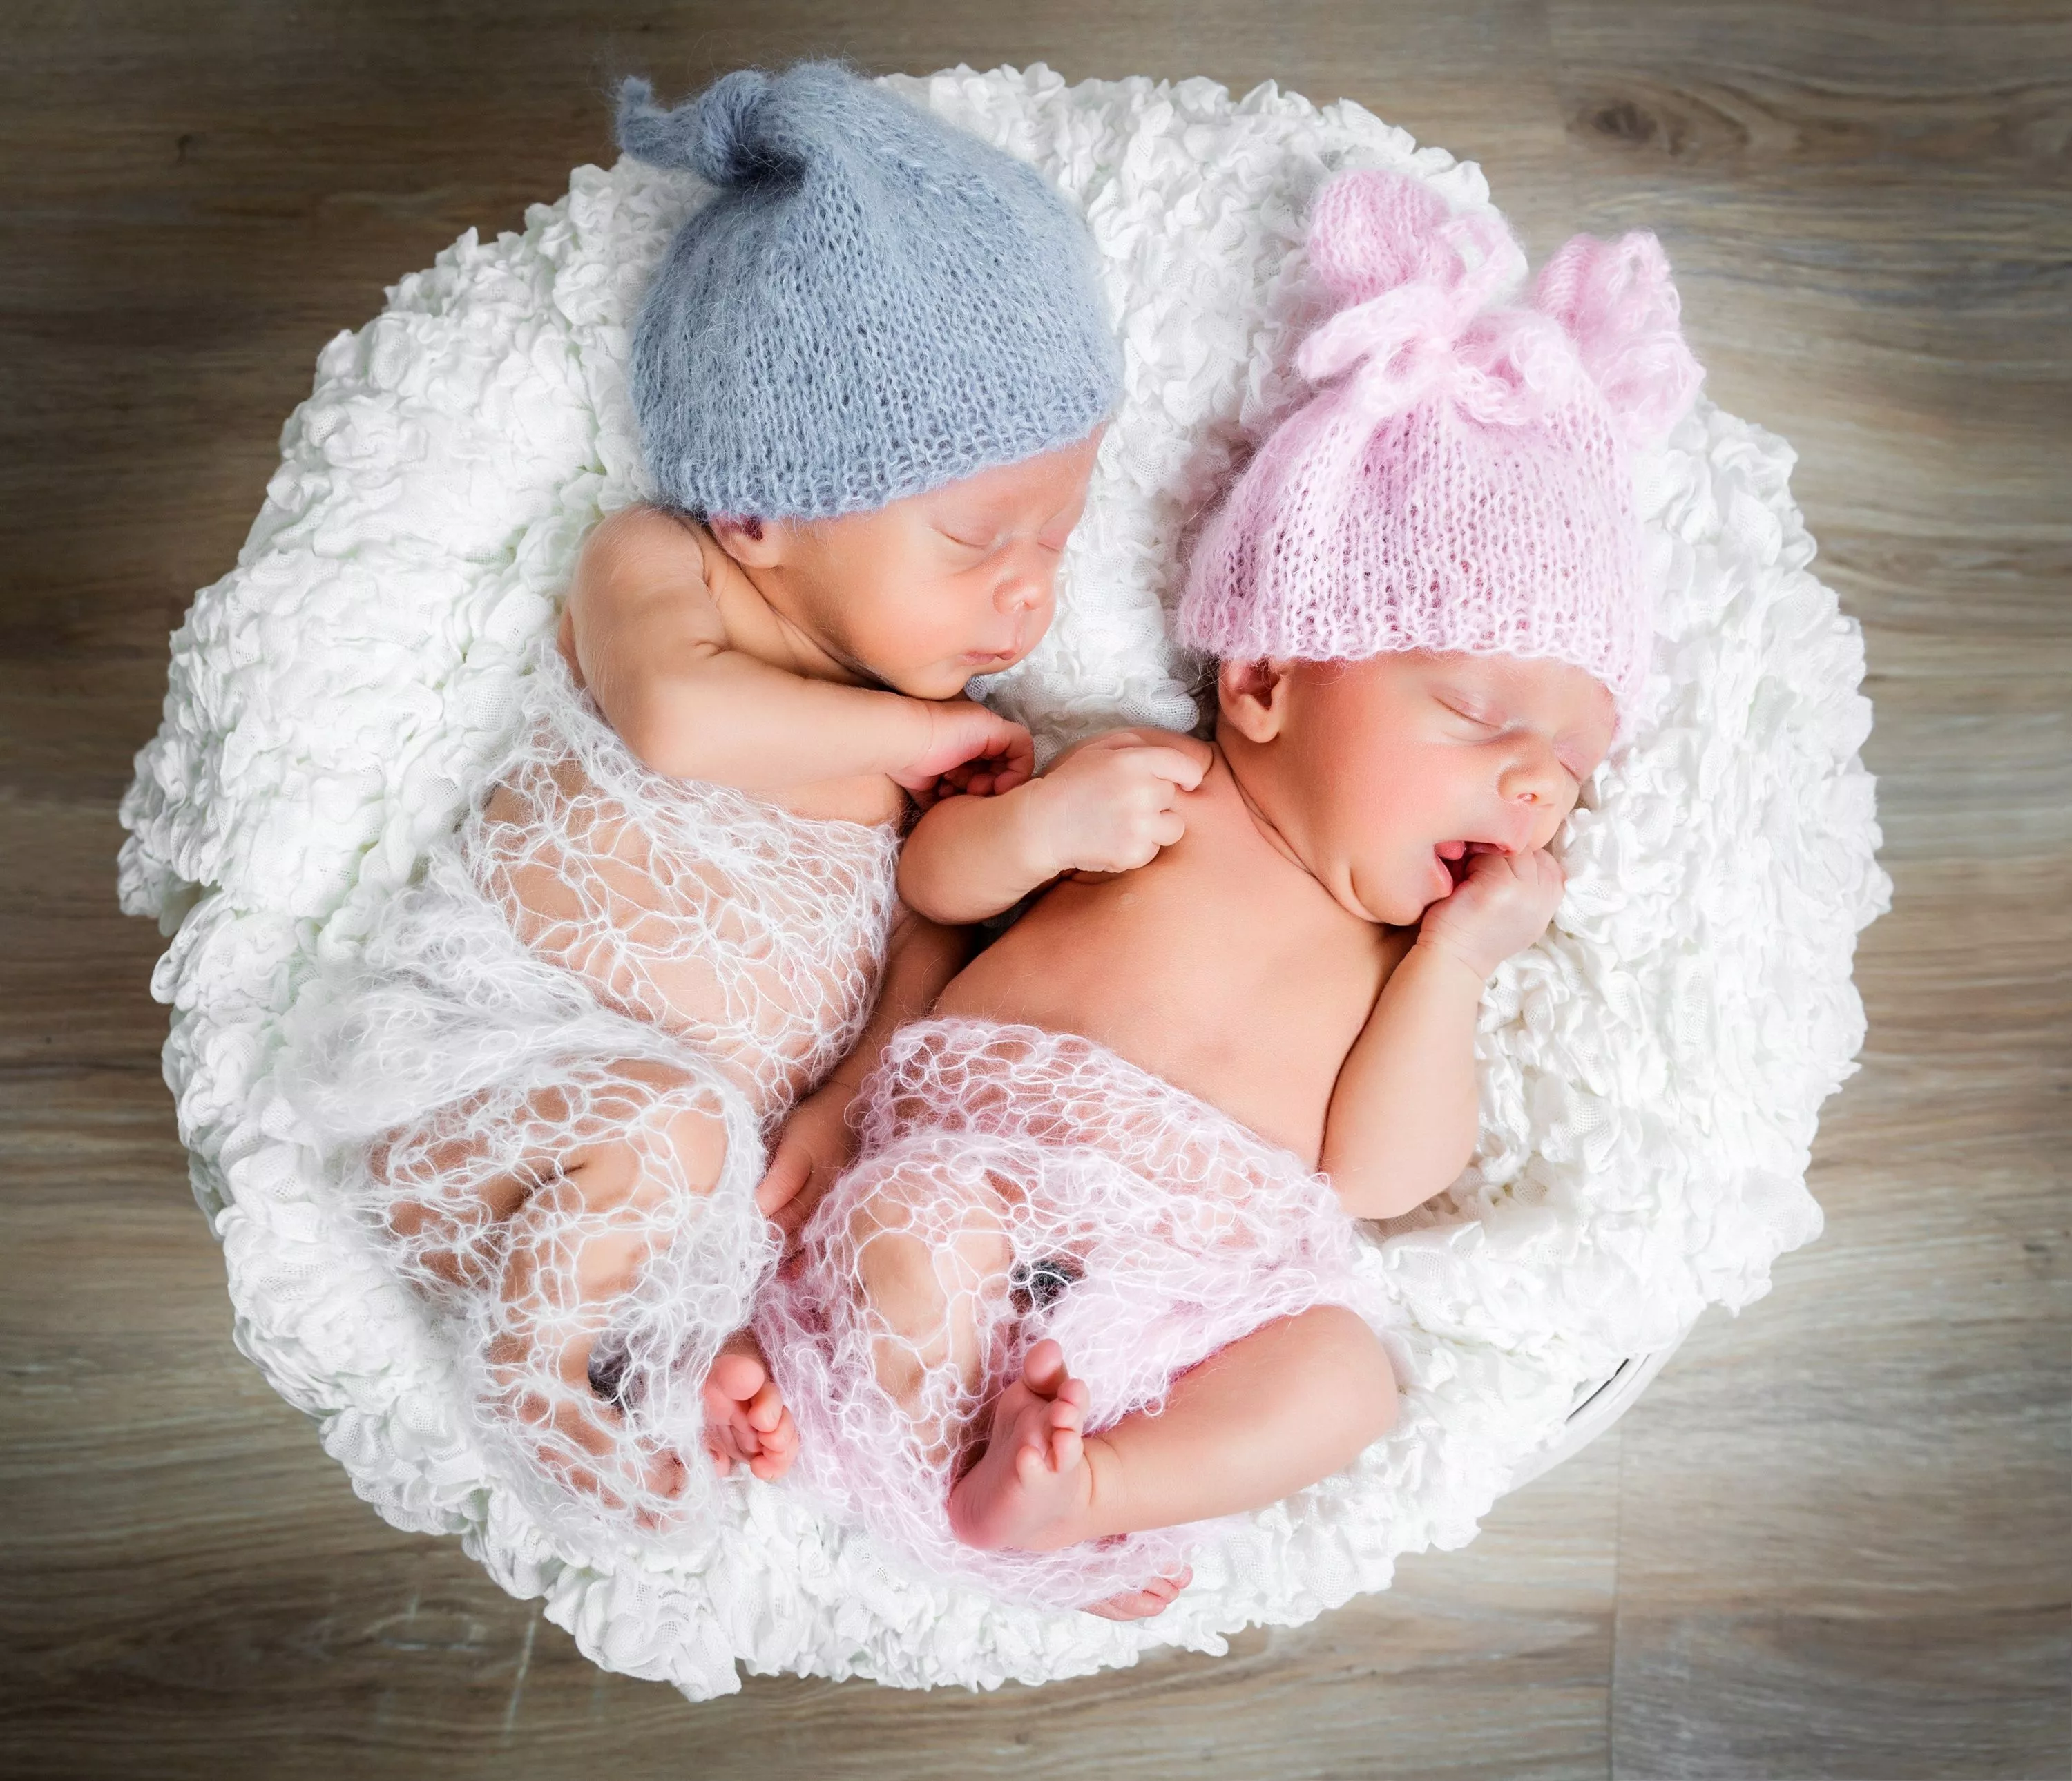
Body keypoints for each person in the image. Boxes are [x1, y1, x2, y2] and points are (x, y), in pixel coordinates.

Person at [746, 163, 1705, 1615]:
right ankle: (917, 1450)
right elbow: (936, 876)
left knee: (1340, 1378)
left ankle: (1094, 1489)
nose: (1534, 783)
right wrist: (1051, 823)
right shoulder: (1152, 790)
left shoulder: (1399, 961)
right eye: (1473, 712)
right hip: (984, 1181)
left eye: (1570, 761)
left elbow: (1379, 1179)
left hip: (1186, 1295)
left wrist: (1455, 966)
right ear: (1263, 681)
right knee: (913, 1227)